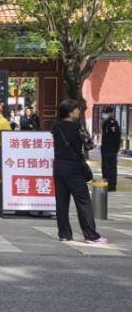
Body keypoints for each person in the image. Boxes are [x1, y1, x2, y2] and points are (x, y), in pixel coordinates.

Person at [52, 100, 107, 244]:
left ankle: (64, 234)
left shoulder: (56, 126)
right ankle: (90, 235)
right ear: (70, 112)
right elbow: (89, 145)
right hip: (74, 167)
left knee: (61, 202)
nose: (78, 111)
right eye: (76, 109)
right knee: (83, 202)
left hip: (59, 167)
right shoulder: (78, 127)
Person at [100, 106, 121, 192]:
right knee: (105, 167)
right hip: (105, 149)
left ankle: (111, 185)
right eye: (105, 113)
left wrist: (115, 149)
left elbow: (116, 137)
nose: (105, 115)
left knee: (111, 168)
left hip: (111, 149)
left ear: (111, 113)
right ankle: (106, 184)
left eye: (107, 113)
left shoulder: (112, 123)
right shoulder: (106, 122)